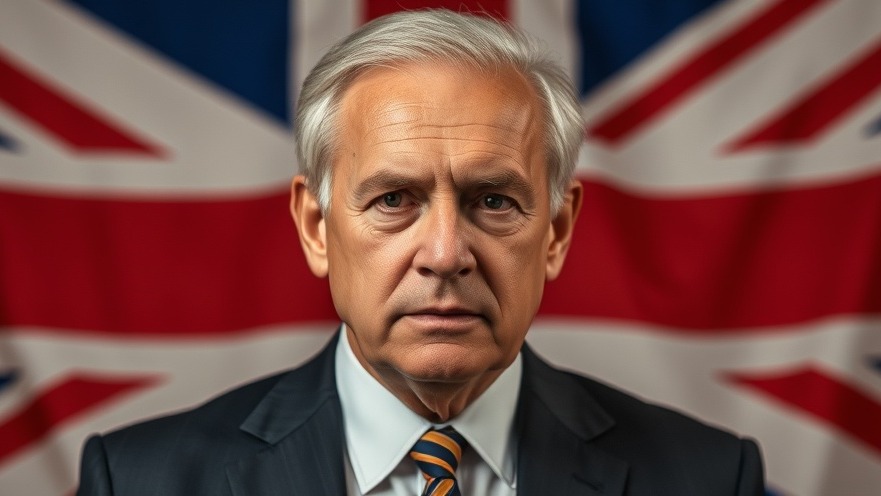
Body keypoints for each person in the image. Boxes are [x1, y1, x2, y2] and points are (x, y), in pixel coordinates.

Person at [77, 9, 764, 496]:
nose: (443, 254)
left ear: (555, 231)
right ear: (315, 227)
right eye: (393, 200)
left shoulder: (707, 476)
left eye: (493, 201)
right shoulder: (140, 479)